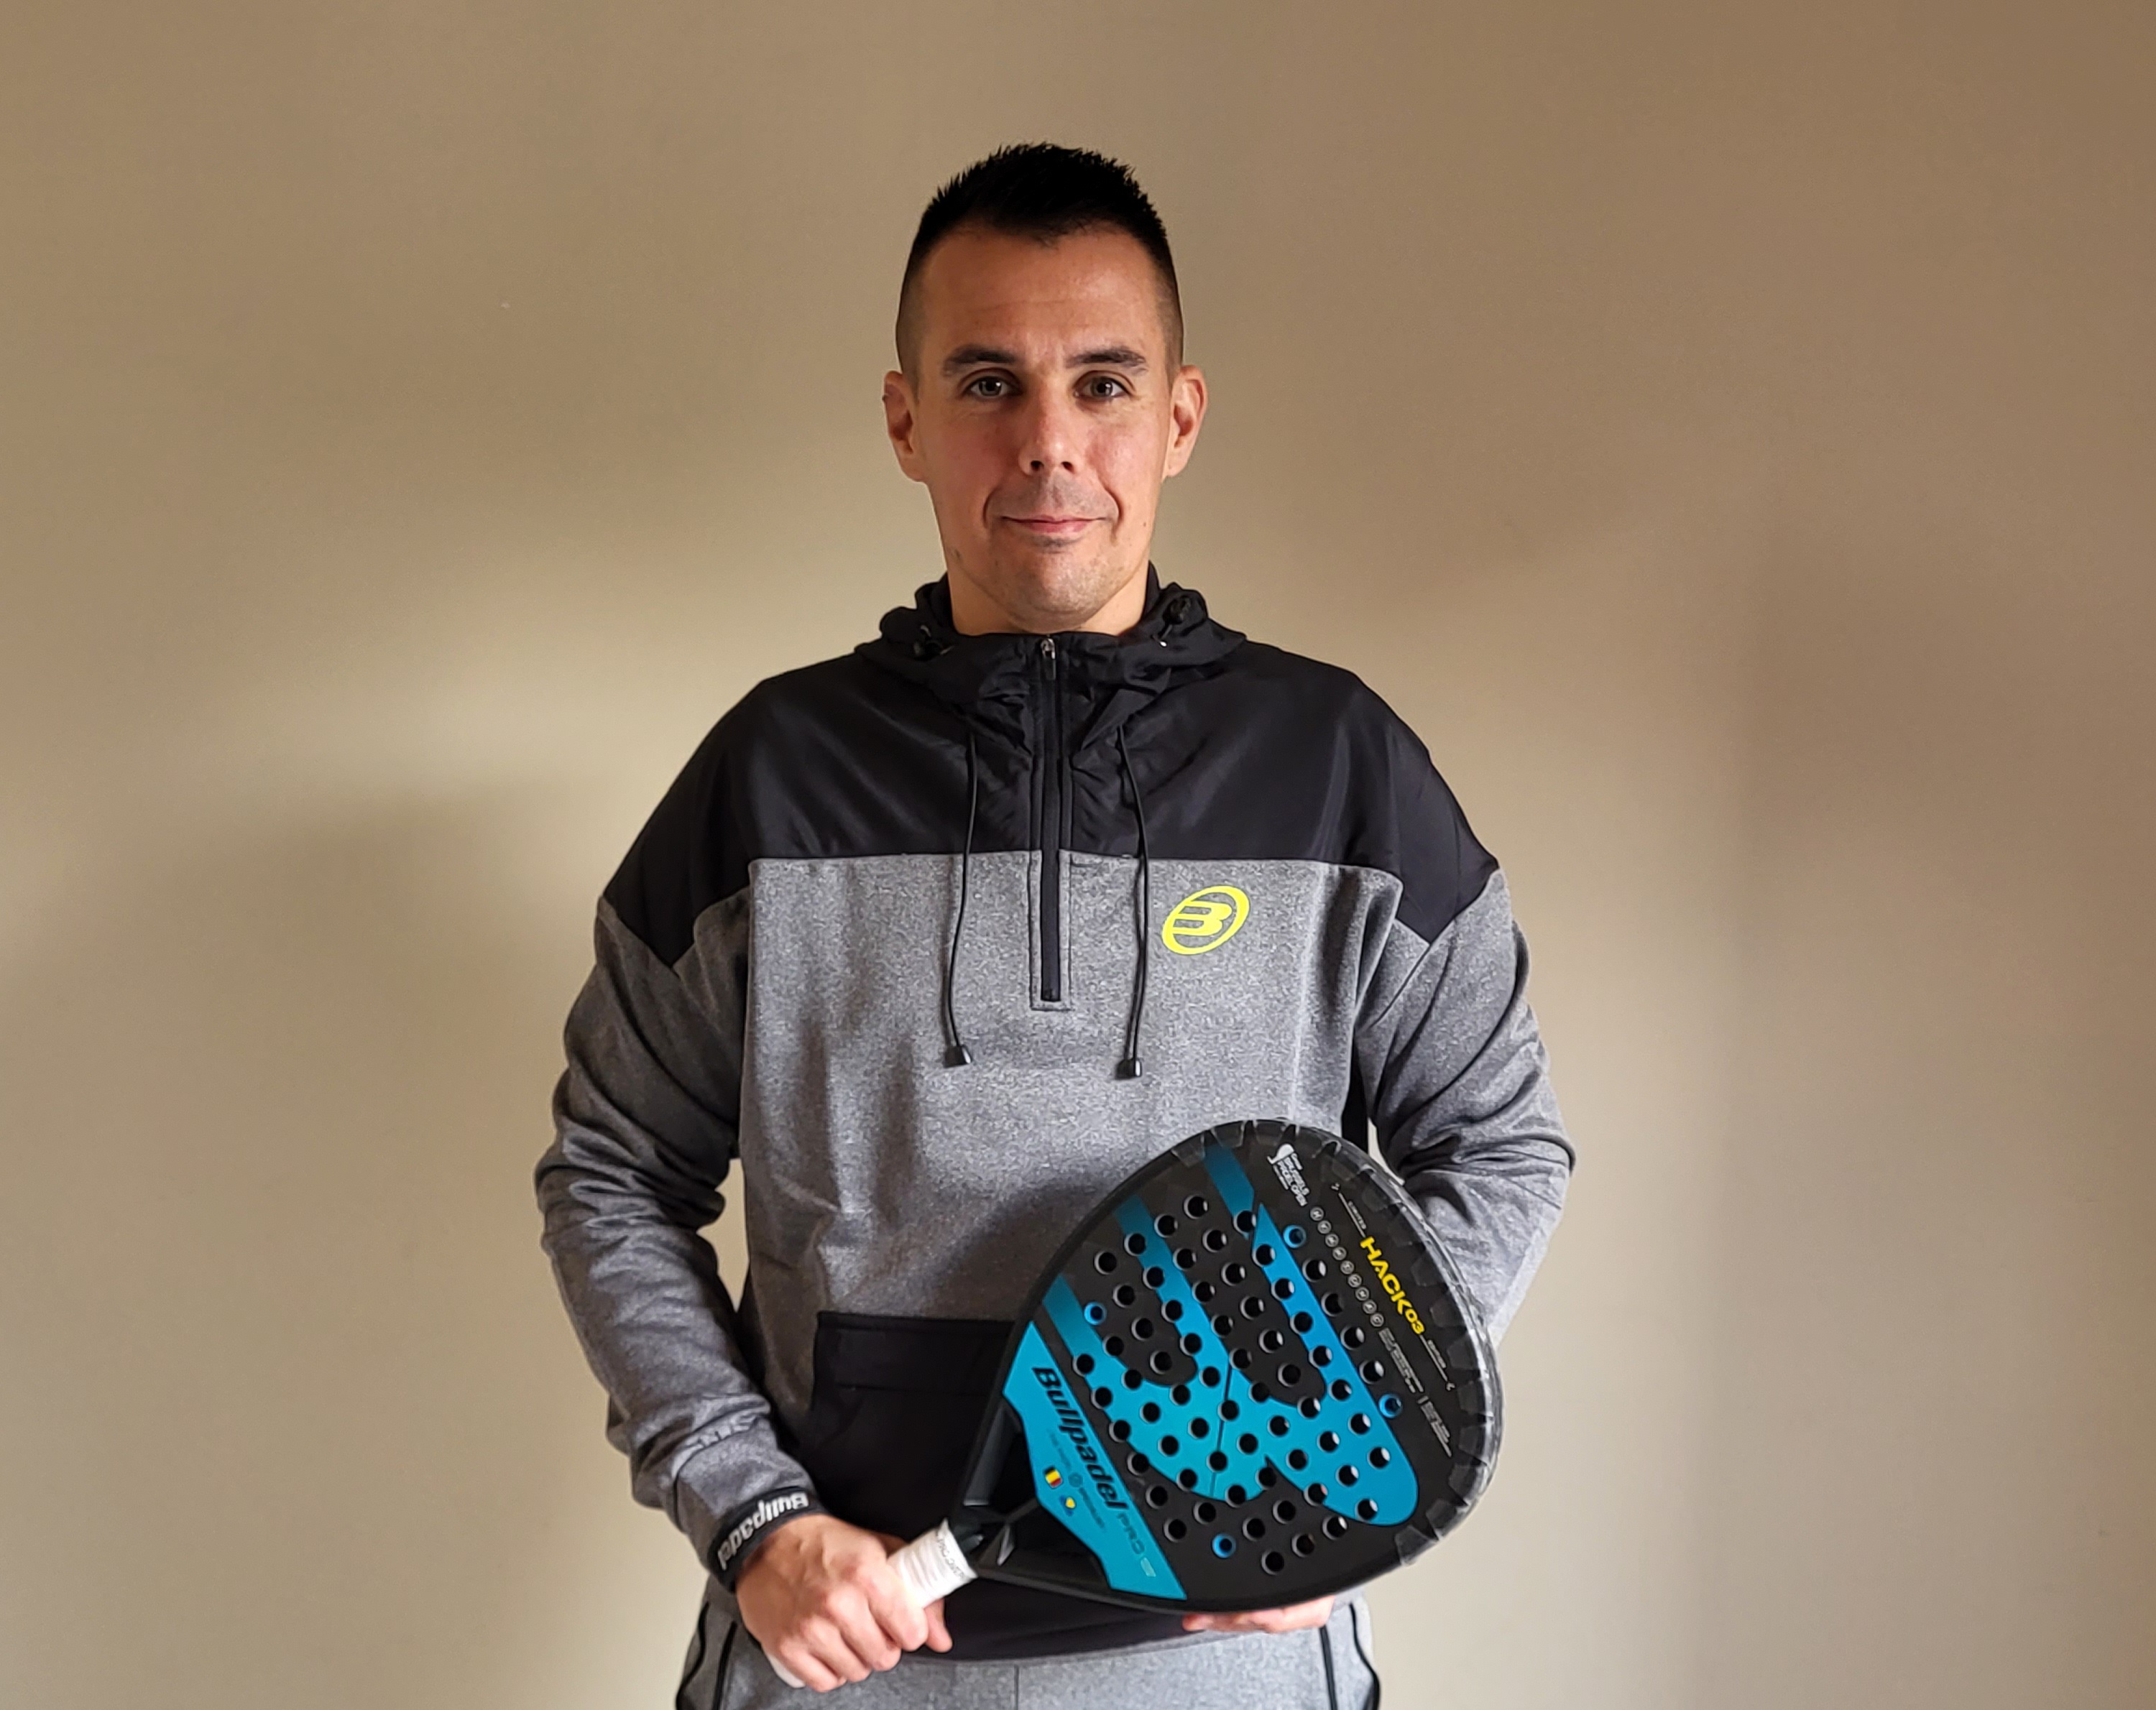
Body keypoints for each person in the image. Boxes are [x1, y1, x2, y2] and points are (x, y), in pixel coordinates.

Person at [534, 142, 1573, 1709]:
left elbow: (1500, 1144)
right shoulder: (771, 771)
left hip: (1228, 1675)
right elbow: (611, 1169)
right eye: (987, 383)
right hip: (838, 1660)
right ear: (906, 421)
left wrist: (1352, 1437)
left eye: (1102, 383)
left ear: (1180, 416)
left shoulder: (1340, 763)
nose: (1047, 443)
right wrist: (751, 1513)